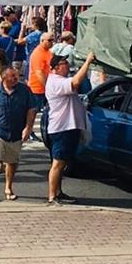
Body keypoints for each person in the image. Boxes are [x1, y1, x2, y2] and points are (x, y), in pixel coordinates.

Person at [0, 66, 37, 202]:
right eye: (13, 76)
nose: (16, 78)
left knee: (11, 161)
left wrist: (28, 127)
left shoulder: (24, 91)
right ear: (4, 78)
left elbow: (31, 110)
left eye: (17, 76)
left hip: (16, 132)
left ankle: (8, 187)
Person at [45, 51, 95, 204]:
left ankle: (58, 192)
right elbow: (76, 82)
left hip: (69, 127)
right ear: (55, 68)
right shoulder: (55, 81)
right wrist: (87, 62)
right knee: (58, 163)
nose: (67, 66)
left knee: (63, 162)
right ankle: (52, 196)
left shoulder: (60, 80)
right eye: (63, 64)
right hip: (62, 128)